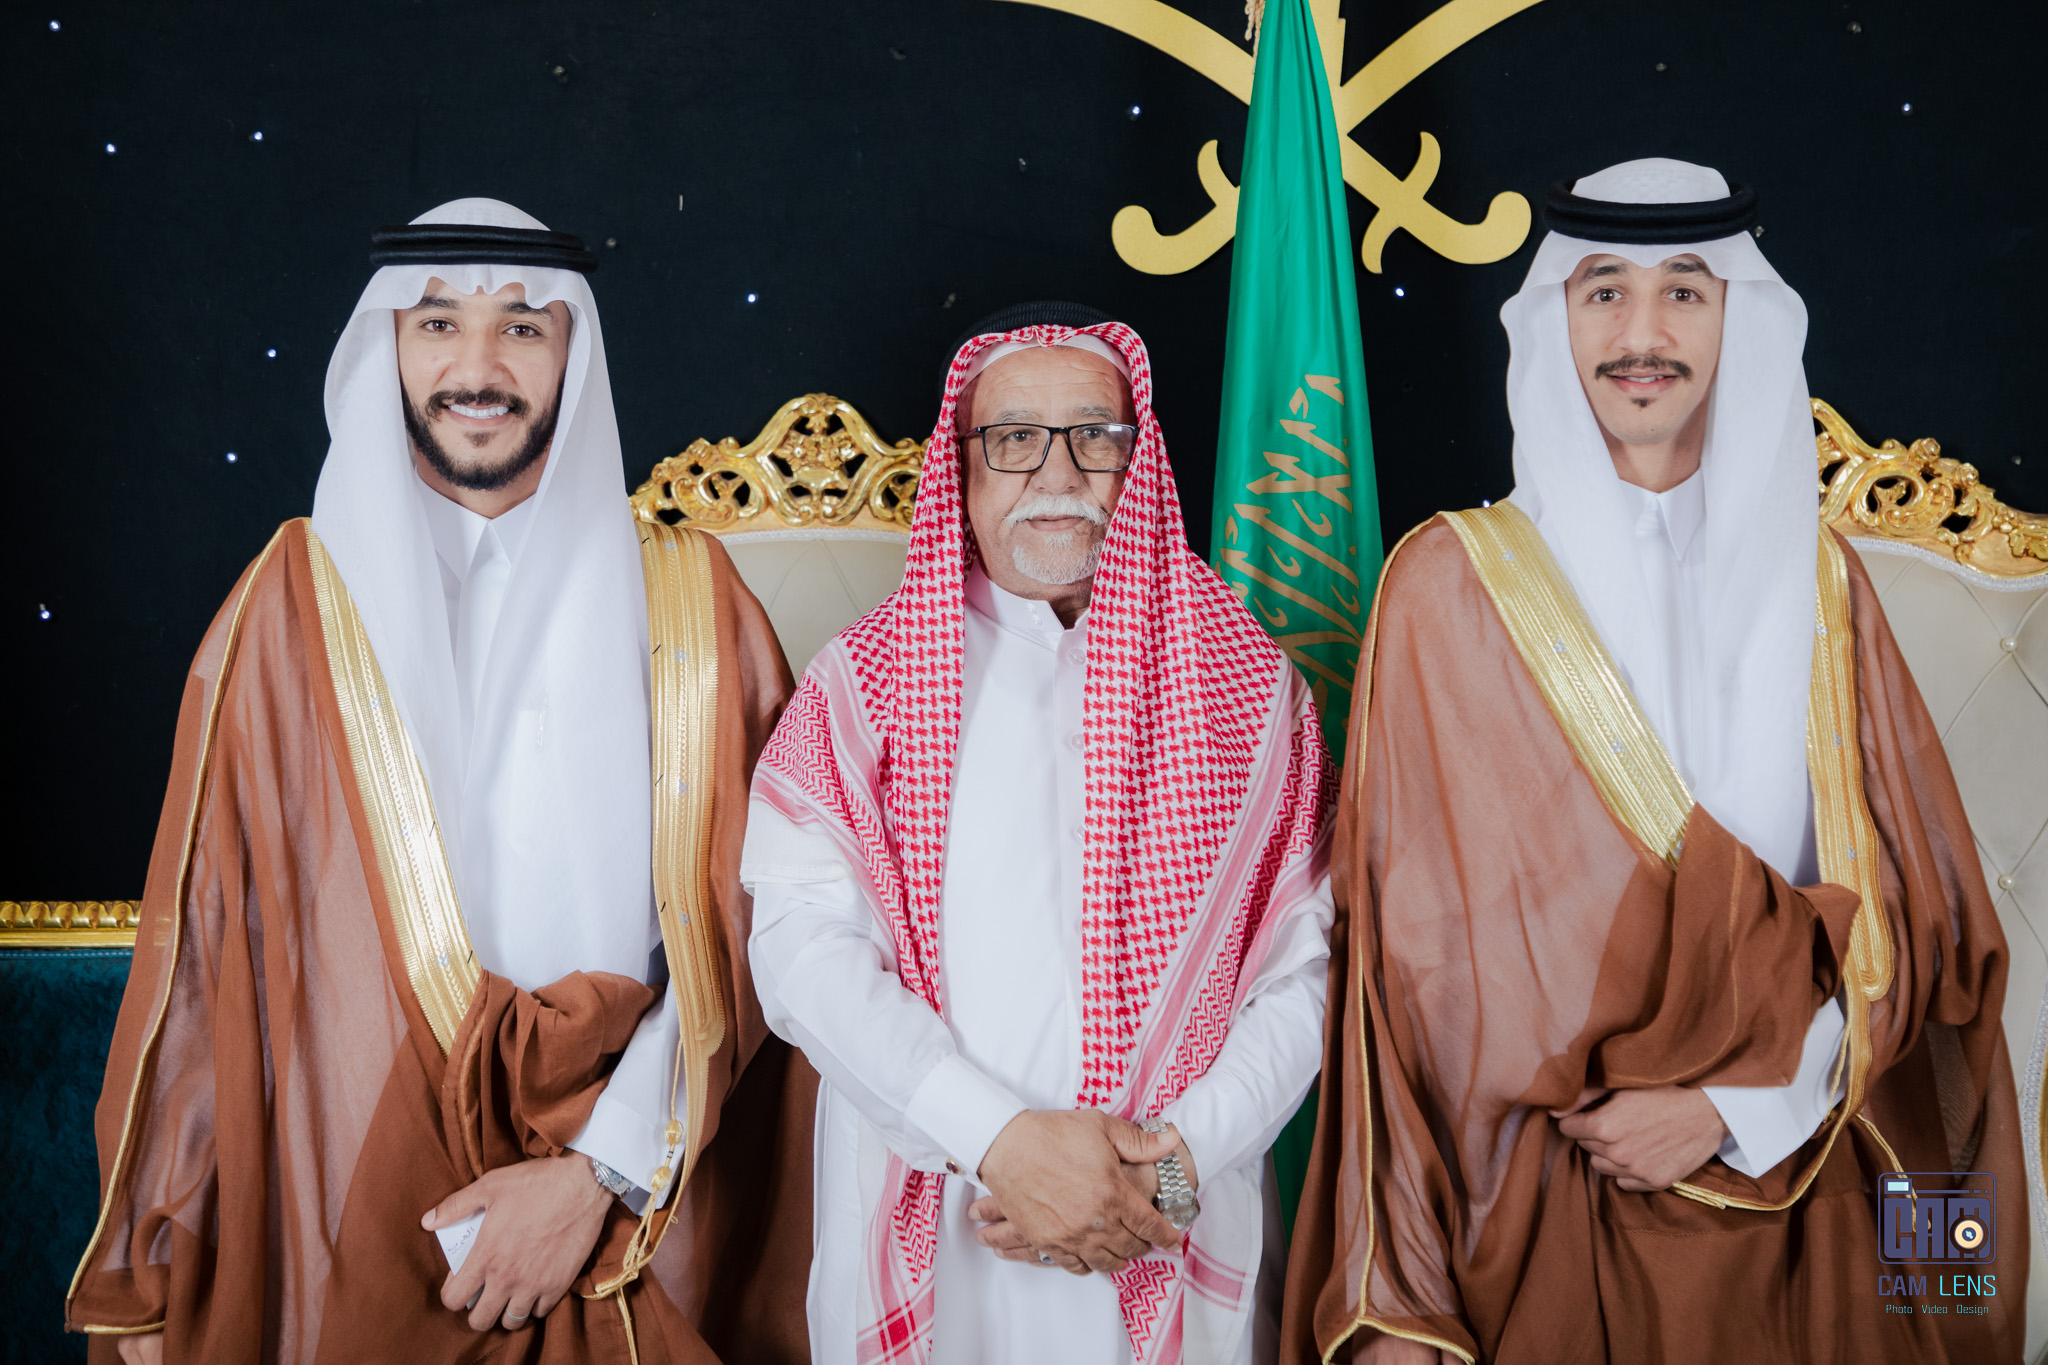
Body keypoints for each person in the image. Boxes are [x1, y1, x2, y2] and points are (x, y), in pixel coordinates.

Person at [1282, 158, 2026, 1363]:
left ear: (1738, 317)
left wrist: (1735, 1108)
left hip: (1805, 1177)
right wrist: (1400, 1298)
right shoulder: (1448, 587)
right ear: (1554, 322)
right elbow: (1401, 985)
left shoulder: (1824, 588)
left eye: (1683, 290)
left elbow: (1914, 918)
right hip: (1536, 1195)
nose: (1640, 335)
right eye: (1602, 292)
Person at [67, 199, 807, 1364]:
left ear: (572, 355)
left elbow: (756, 927)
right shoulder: (289, 605)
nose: (478, 365)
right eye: (438, 323)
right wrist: (176, 1258)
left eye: (522, 326)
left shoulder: (691, 602)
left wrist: (597, 1172)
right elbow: (216, 957)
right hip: (344, 1193)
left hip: (633, 1197)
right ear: (388, 349)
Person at [743, 303, 1336, 1364]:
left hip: (1174, 1215)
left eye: (1093, 437)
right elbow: (801, 954)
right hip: (945, 1209)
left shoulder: (1247, 690)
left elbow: (1303, 977)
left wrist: (1164, 1176)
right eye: (1014, 438)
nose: (1055, 473)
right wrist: (999, 1143)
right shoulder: (862, 686)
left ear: (1137, 461)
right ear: (962, 467)